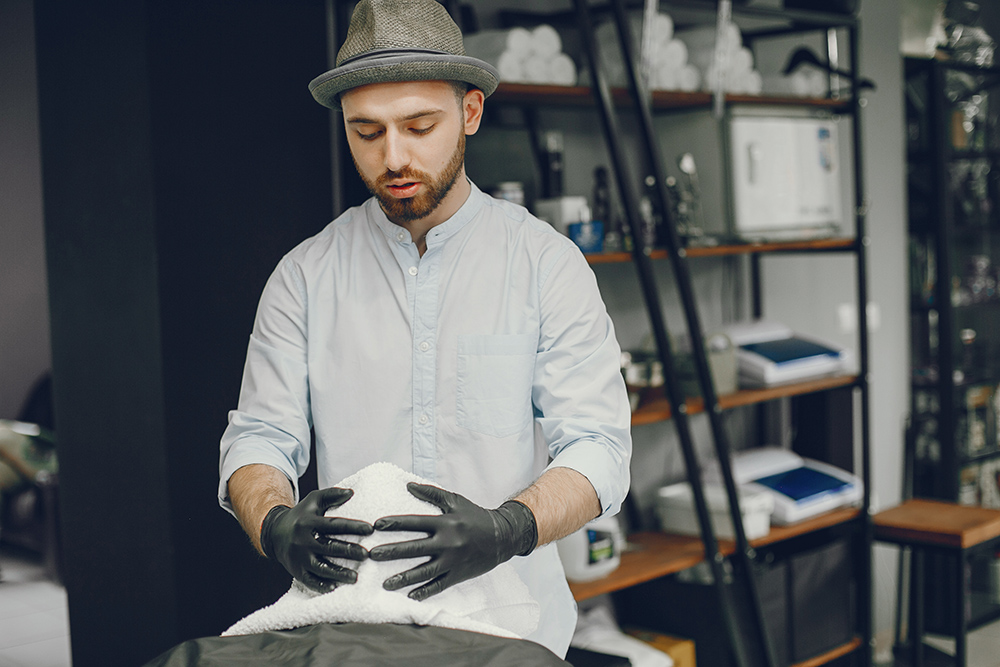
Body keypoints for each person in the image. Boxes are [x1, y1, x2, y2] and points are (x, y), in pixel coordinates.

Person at [218, 0, 631, 657]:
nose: (394, 156)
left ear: (469, 112)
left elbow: (600, 446)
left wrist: (507, 527)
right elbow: (260, 437)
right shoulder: (305, 276)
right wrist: (274, 524)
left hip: (512, 633)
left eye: (418, 125)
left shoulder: (544, 265)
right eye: (367, 131)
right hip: (356, 634)